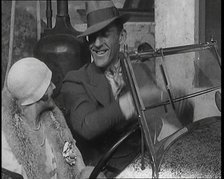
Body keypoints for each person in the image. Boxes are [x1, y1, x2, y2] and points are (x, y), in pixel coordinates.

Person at [61, 0, 194, 177]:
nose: (97, 44)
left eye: (105, 34)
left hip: (143, 166)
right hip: (101, 172)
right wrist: (132, 102)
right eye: (92, 37)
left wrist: (181, 107)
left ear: (122, 37)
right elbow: (87, 126)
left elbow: (159, 119)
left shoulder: (138, 69)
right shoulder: (76, 80)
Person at [2, 57, 105, 179]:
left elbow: (76, 163)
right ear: (39, 93)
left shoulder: (54, 122)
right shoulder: (7, 142)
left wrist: (87, 174)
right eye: (49, 84)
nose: (54, 86)